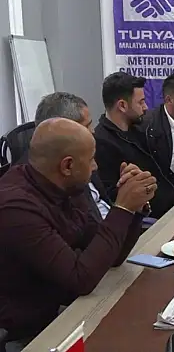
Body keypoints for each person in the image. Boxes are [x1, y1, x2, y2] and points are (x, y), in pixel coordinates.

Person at [0, 118, 155, 349]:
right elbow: (81, 279)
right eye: (91, 159)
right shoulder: (16, 208)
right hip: (31, 331)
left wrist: (134, 208)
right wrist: (123, 208)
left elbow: (110, 256)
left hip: (66, 307)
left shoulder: (65, 187)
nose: (96, 167)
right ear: (67, 166)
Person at [94, 72, 174, 219]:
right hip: (151, 220)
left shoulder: (142, 130)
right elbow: (113, 199)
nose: (146, 107)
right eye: (141, 102)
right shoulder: (102, 143)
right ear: (122, 105)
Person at [33, 92, 110, 221]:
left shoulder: (83, 153)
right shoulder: (58, 183)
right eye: (87, 126)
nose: (93, 131)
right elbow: (91, 229)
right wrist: (124, 208)